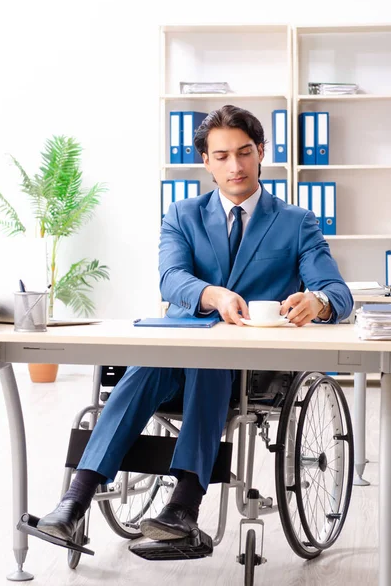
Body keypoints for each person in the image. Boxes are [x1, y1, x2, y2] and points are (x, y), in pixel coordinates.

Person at [37, 105, 353, 543]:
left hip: (251, 369)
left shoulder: (296, 223)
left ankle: (183, 506)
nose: (235, 165)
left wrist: (317, 303)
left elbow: (338, 292)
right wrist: (213, 295)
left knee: (209, 360)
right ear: (206, 161)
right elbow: (171, 279)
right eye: (221, 156)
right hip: (177, 353)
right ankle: (75, 500)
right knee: (146, 364)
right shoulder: (182, 215)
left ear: (261, 152)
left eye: (244, 152)